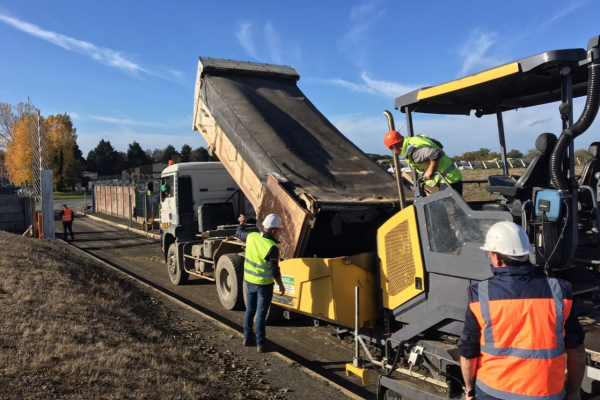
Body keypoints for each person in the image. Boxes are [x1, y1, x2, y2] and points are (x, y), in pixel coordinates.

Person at [458, 221, 586, 400]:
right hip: (548, 393)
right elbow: (577, 349)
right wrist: (573, 392)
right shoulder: (560, 291)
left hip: (494, 392)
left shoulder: (480, 295)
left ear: (496, 257)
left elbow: (468, 352)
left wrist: (470, 391)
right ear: (527, 254)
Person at [235, 213, 286, 353]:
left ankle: (247, 338)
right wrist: (280, 284)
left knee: (250, 311)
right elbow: (274, 270)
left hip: (249, 281)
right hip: (264, 285)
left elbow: (239, 232)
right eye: (279, 230)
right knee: (261, 315)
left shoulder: (251, 236)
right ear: (273, 230)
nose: (279, 233)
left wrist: (242, 222)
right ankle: (261, 344)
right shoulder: (271, 247)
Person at [383, 130, 463, 195]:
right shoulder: (416, 139)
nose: (393, 152)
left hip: (448, 180)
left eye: (391, 149)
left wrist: (430, 170)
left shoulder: (414, 153)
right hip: (452, 177)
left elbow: (435, 153)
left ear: (393, 146)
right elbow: (439, 145)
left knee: (450, 211)